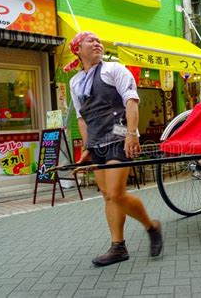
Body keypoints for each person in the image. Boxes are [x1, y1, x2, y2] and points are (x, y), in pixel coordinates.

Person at [65, 31, 163, 267]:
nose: (98, 44)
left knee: (117, 193)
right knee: (108, 196)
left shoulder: (115, 69)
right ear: (77, 49)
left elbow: (131, 101)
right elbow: (81, 118)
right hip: (97, 141)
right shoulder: (75, 82)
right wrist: (87, 146)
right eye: (92, 41)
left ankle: (151, 226)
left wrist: (132, 134)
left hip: (119, 137)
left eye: (100, 41)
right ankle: (118, 247)